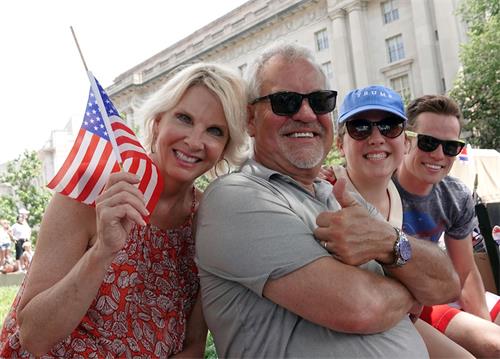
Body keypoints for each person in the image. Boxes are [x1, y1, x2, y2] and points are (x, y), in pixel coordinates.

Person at [195, 43, 460, 358]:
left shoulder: (335, 195)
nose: (306, 114)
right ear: (251, 119)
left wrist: (390, 242)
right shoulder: (236, 197)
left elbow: (447, 284)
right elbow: (362, 307)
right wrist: (412, 286)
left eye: (320, 101)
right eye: (286, 102)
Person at [0, 62, 249, 358]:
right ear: (157, 123)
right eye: (184, 118)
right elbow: (34, 336)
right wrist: (102, 251)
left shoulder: (209, 218)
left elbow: (194, 345)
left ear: (225, 147)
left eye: (215, 131)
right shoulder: (92, 190)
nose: (194, 141)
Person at [321, 85, 473, 358]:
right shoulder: (325, 195)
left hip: (401, 321)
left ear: (404, 142)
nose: (376, 137)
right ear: (340, 144)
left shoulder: (401, 196)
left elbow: (454, 281)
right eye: (360, 128)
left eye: (389, 127)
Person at [393, 94, 500, 357]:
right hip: (404, 306)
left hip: (441, 291)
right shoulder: (381, 187)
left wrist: (483, 328)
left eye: (451, 147)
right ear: (406, 141)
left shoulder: (455, 195)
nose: (439, 155)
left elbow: (465, 271)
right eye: (428, 142)